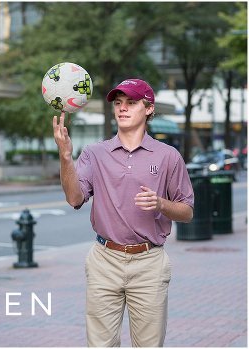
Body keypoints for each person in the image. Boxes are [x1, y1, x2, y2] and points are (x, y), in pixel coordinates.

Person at [53, 78, 194, 346]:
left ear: (149, 108)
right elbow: (74, 198)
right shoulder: (95, 153)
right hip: (104, 260)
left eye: (131, 102)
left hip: (149, 263)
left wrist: (161, 204)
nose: (123, 108)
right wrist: (65, 156)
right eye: (118, 103)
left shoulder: (168, 156)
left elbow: (187, 211)